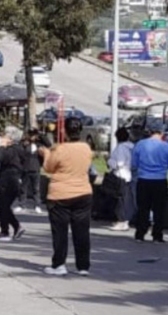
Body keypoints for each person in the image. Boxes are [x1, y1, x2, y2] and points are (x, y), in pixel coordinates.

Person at [40, 117, 93, 276]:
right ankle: (83, 266)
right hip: (83, 191)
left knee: (60, 232)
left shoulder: (60, 150)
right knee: (82, 231)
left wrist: (46, 153)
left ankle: (59, 264)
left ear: (64, 131)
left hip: (60, 194)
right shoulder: (86, 148)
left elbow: (49, 168)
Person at [132, 121, 168, 243]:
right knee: (159, 209)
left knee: (143, 208)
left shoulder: (140, 144)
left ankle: (140, 234)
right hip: (160, 181)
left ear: (149, 131)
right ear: (162, 132)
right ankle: (157, 235)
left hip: (143, 180)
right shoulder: (166, 147)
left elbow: (133, 164)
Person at [0, 126, 27, 242]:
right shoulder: (19, 149)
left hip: (8, 179)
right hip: (14, 179)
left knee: (4, 207)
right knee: (4, 206)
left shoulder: (12, 149)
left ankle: (10, 229)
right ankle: (8, 229)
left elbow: (1, 158)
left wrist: (2, 146)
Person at [15, 128, 50, 214]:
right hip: (25, 168)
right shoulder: (25, 144)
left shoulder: (39, 144)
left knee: (36, 189)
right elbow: (19, 151)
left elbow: (48, 144)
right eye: (31, 135)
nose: (32, 137)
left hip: (35, 168)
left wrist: (41, 135)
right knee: (23, 188)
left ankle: (37, 205)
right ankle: (21, 204)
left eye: (34, 135)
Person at [107, 127, 134, 231]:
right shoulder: (132, 147)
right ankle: (125, 220)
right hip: (129, 175)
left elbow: (119, 163)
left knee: (120, 200)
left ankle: (121, 221)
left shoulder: (120, 148)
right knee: (126, 199)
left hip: (120, 175)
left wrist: (109, 160)